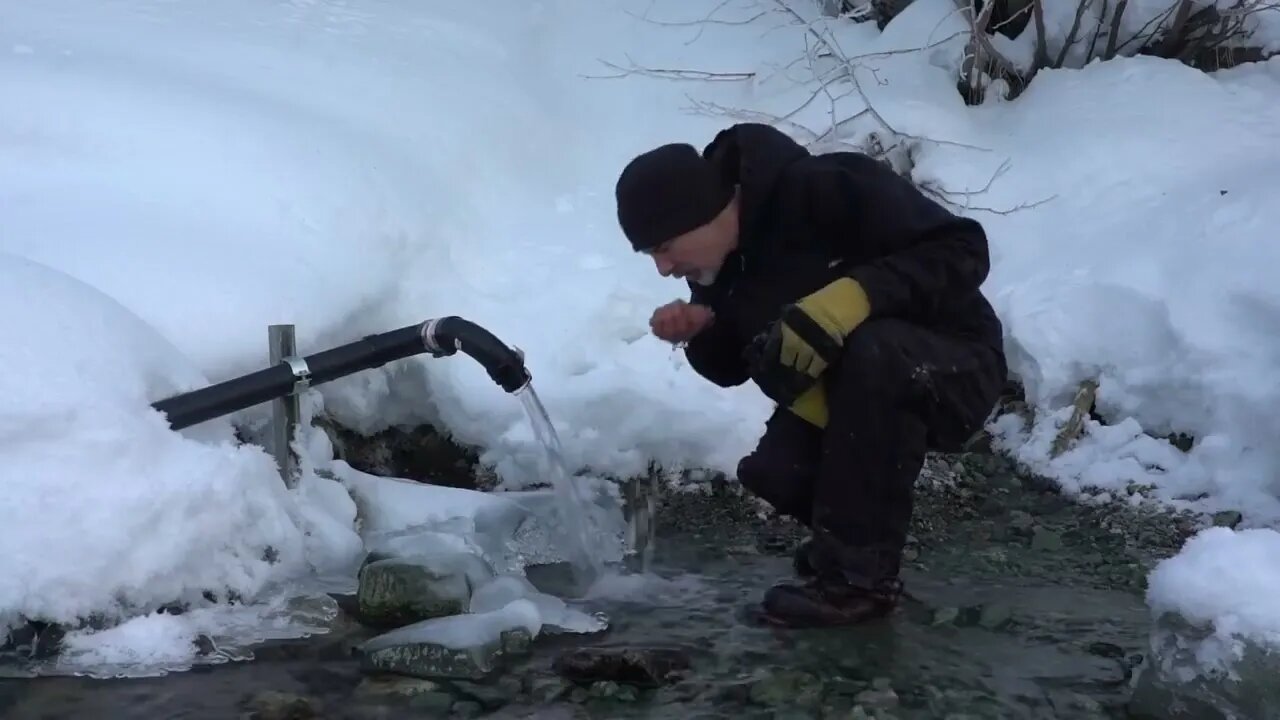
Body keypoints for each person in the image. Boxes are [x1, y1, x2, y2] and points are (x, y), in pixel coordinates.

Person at [613, 123, 1008, 628]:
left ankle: (858, 584)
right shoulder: (719, 270)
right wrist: (704, 328)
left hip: (956, 362)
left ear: (707, 212)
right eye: (651, 255)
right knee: (773, 473)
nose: (663, 268)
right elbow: (730, 371)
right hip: (853, 391)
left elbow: (964, 248)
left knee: (874, 349)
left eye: (665, 246)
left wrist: (855, 296)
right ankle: (845, 545)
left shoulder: (824, 186)